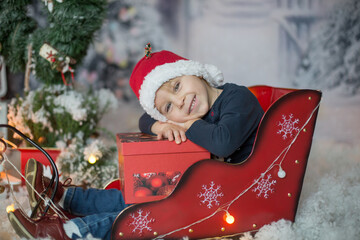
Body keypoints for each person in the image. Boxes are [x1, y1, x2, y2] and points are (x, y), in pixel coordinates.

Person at [8, 46, 264, 239]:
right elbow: (145, 120)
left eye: (176, 86)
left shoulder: (238, 98)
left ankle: (71, 232)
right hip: (205, 186)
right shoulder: (192, 110)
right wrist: (160, 124)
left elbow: (223, 143)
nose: (181, 102)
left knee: (154, 207)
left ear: (192, 71)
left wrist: (185, 124)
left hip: (233, 194)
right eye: (168, 107)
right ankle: (66, 199)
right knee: (138, 194)